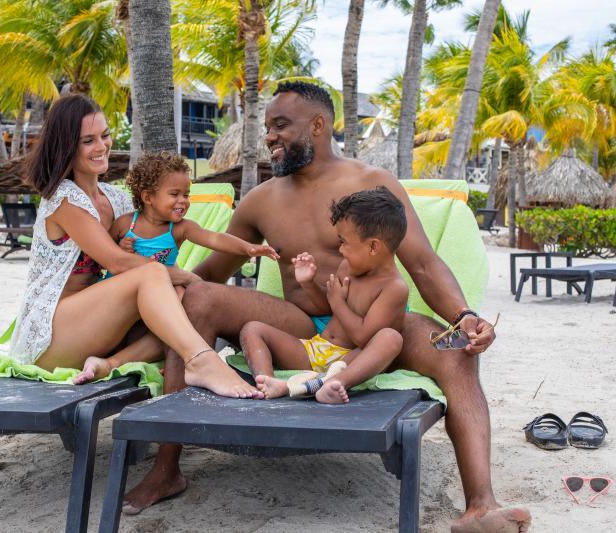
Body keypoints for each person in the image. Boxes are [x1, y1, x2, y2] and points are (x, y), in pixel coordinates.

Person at [123, 82, 531, 533]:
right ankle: (166, 469)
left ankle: (480, 506)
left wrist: (463, 316)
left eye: (281, 125)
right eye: (268, 128)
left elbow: (423, 263)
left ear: (318, 125)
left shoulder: (373, 183)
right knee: (197, 298)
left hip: (378, 324)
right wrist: (146, 285)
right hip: (301, 327)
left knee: (457, 351)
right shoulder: (261, 200)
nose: (270, 137)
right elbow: (210, 274)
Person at [8, 94, 261, 400]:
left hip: (103, 326)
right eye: (88, 141)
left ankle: (111, 363)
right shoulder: (64, 199)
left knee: (180, 299)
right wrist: (184, 276)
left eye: (104, 135)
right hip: (54, 335)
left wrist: (183, 282)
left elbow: (151, 244)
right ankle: (201, 361)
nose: (101, 146)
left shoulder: (116, 198)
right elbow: (119, 263)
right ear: (67, 146)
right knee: (155, 275)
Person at [73, 150, 279, 383]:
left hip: (157, 301)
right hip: (121, 302)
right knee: (180, 293)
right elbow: (103, 258)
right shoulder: (125, 224)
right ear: (148, 197)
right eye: (174, 194)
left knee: (183, 297)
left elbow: (214, 238)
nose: (183, 201)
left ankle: (171, 356)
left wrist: (248, 248)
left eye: (186, 195)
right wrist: (120, 248)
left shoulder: (180, 228)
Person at [242, 187, 408, 404]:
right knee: (252, 329)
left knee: (390, 338)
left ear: (373, 247)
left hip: (351, 360)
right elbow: (326, 307)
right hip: (316, 349)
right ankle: (268, 382)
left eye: (344, 242)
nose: (341, 250)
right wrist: (308, 283)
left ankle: (334, 382)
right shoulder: (347, 268)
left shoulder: (393, 288)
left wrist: (338, 302)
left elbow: (363, 337)